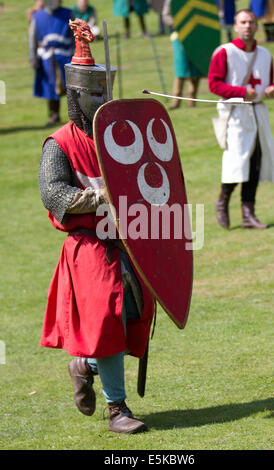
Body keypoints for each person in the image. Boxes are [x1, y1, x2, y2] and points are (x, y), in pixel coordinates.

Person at [38, 19, 155, 434]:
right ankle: (116, 410)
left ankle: (84, 363)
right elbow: (55, 196)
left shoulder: (122, 134)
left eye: (106, 92)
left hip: (126, 240)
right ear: (76, 96)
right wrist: (100, 197)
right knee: (109, 319)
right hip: (87, 244)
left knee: (135, 313)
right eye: (95, 93)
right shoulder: (59, 144)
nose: (103, 100)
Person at [208, 9, 274, 229]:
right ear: (236, 26)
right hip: (236, 113)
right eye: (243, 22)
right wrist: (240, 91)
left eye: (251, 22)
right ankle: (223, 201)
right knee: (237, 161)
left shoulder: (265, 54)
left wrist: (272, 90)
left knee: (256, 161)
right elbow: (214, 84)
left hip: (258, 112)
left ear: (257, 26)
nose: (247, 26)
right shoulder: (224, 52)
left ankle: (248, 213)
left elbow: (271, 83)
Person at [28, 0, 74, 125]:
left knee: (73, 88)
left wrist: (77, 55)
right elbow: (32, 38)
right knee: (50, 87)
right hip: (47, 57)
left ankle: (76, 116)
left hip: (66, 56)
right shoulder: (37, 17)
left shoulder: (68, 14)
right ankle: (54, 115)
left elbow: (75, 35)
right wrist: (33, 58)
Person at [162, 0, 202, 110]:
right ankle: (176, 100)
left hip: (196, 34)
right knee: (181, 67)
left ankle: (192, 98)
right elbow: (166, 15)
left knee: (195, 67)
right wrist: (179, 22)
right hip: (179, 35)